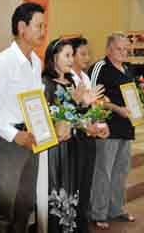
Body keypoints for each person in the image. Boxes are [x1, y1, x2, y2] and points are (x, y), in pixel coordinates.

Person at [0, 2, 45, 233]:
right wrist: (14, 134)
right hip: (9, 140)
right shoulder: (2, 62)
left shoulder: (36, 62)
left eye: (44, 26)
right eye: (38, 26)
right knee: (4, 207)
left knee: (25, 203)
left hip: (32, 138)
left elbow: (35, 102)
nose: (43, 31)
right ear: (22, 27)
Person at [37, 38, 104, 233]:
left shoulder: (72, 82)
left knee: (73, 188)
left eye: (71, 55)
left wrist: (84, 104)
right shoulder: (45, 83)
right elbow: (46, 117)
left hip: (73, 144)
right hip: (55, 148)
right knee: (55, 189)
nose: (70, 59)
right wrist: (74, 104)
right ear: (53, 57)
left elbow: (76, 117)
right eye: (66, 55)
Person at [88, 33, 137, 230]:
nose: (123, 52)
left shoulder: (127, 69)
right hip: (106, 129)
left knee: (120, 173)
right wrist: (117, 109)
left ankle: (116, 209)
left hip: (126, 128)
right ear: (109, 49)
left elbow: (134, 97)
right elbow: (91, 98)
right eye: (119, 49)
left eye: (126, 49)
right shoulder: (100, 68)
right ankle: (97, 212)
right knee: (103, 173)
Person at [70, 36, 109, 231]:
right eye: (82, 54)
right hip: (75, 137)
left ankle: (82, 223)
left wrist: (100, 123)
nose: (87, 58)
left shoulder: (86, 77)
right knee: (75, 183)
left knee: (87, 181)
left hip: (90, 135)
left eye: (88, 54)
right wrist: (87, 125)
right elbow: (71, 112)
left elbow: (94, 106)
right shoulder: (69, 79)